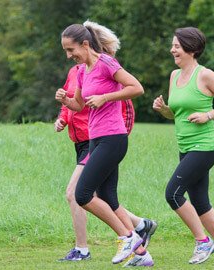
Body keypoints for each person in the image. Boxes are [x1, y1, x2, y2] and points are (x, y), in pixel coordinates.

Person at [55, 21, 154, 267]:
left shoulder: (107, 64)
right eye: (66, 51)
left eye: (71, 50)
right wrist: (65, 100)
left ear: (85, 44)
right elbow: (79, 105)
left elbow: (137, 88)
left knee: (83, 194)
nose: (69, 55)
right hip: (96, 138)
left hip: (114, 138)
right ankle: (141, 255)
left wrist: (106, 97)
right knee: (108, 196)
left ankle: (127, 237)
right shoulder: (81, 70)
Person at [153, 27, 214, 264]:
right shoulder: (174, 76)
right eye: (172, 45)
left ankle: (203, 242)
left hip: (204, 148)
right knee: (201, 202)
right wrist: (165, 111)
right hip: (185, 147)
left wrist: (208, 115)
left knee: (172, 194)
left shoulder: (205, 75)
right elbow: (177, 115)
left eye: (177, 46)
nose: (172, 49)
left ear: (191, 49)